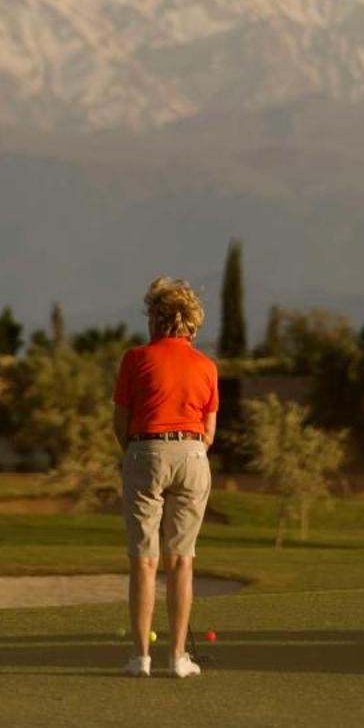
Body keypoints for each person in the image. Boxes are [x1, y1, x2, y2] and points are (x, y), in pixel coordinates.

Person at [112, 277, 219, 678]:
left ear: (156, 318)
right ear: (190, 322)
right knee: (181, 560)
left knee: (144, 560)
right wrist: (188, 451)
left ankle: (140, 658)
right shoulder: (207, 366)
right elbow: (209, 431)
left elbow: (120, 421)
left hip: (145, 449)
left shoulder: (135, 359)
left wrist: (137, 452)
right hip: (192, 453)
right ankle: (177, 659)